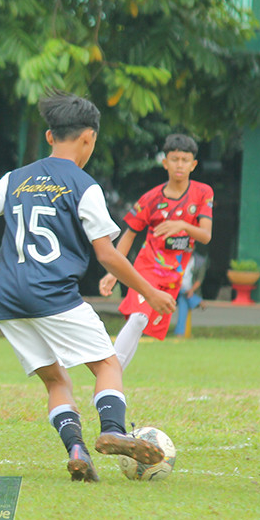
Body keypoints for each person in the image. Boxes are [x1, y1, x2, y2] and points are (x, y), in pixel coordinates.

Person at [0, 89, 177, 482]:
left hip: (7, 295)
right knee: (107, 365)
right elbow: (108, 255)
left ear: (49, 136)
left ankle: (76, 448)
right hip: (51, 293)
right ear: (89, 138)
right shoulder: (83, 184)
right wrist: (150, 292)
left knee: (56, 379)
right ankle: (113, 429)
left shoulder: (16, 178)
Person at [99, 134, 213, 368]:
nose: (179, 164)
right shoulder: (150, 199)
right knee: (139, 318)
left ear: (193, 165)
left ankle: (111, 376)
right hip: (146, 268)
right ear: (165, 163)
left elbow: (205, 235)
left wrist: (182, 225)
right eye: (174, 159)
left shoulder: (203, 193)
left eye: (184, 160)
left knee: (141, 325)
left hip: (174, 276)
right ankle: (109, 376)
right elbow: (129, 233)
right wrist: (114, 272)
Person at [173, 252, 206, 338]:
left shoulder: (199, 261)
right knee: (183, 294)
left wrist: (191, 290)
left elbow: (199, 280)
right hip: (177, 289)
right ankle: (197, 301)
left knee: (183, 302)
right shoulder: (177, 259)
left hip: (189, 291)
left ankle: (180, 333)